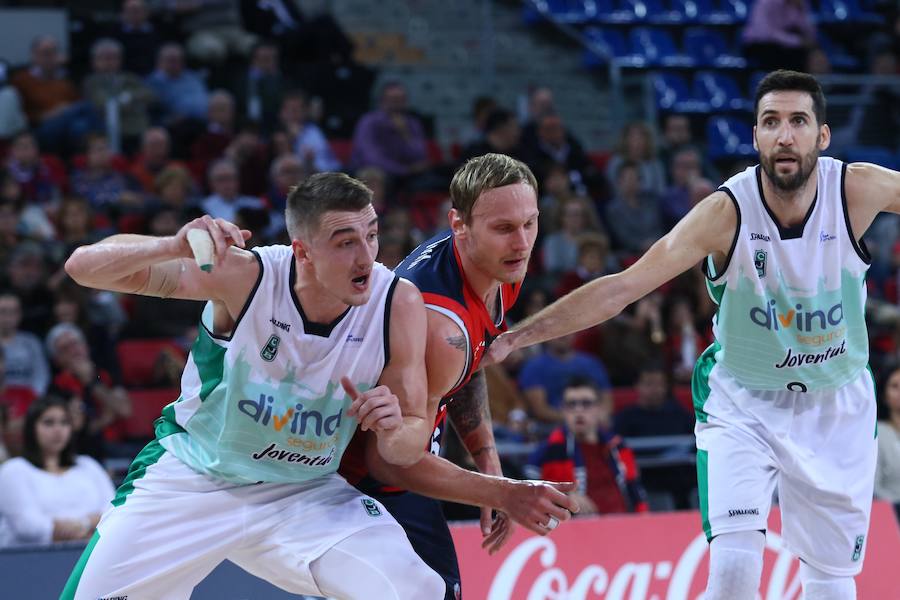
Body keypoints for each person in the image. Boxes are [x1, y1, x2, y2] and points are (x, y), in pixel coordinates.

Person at [488, 70, 892, 599]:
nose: (784, 135)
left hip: (835, 403)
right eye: (771, 122)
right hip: (744, 402)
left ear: (822, 135)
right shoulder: (726, 213)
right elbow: (623, 287)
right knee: (732, 578)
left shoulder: (858, 189)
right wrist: (519, 336)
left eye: (798, 121)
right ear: (754, 137)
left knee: (834, 583)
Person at [60, 172, 443, 599]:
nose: (365, 257)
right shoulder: (245, 275)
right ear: (304, 251)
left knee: (417, 590)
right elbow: (81, 267)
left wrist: (394, 429)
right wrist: (171, 245)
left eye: (371, 235)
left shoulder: (397, 302)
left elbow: (409, 439)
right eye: (345, 241)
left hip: (304, 490)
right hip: (196, 476)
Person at [340, 153, 579, 599]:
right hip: (364, 489)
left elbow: (470, 365)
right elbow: (388, 459)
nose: (522, 242)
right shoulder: (437, 325)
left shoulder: (495, 266)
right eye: (505, 228)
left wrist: (487, 460)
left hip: (405, 476)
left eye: (531, 223)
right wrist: (505, 492)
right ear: (459, 224)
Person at [0, 395, 115, 547]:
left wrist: (83, 524)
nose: (58, 429)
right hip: (29, 561)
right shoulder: (13, 470)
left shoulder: (88, 465)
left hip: (91, 556)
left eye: (64, 422)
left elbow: (114, 510)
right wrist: (86, 529)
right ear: (31, 428)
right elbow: (27, 526)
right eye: (49, 423)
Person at [526, 376, 648, 515]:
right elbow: (528, 496)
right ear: (563, 410)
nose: (578, 410)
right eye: (571, 404)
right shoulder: (546, 451)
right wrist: (566, 499)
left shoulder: (618, 447)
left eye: (586, 404)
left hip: (625, 525)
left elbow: (635, 490)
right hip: (574, 529)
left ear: (599, 408)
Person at [876, 367, 900, 519]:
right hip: (890, 516)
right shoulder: (876, 432)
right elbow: (873, 487)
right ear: (884, 396)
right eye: (895, 386)